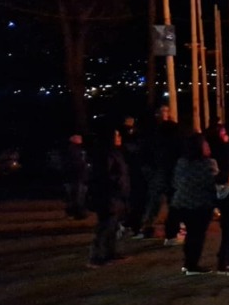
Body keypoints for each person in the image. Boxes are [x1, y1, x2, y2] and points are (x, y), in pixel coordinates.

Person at [169, 134, 218, 275]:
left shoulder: (182, 162)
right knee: (197, 235)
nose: (208, 147)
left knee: (191, 234)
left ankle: (189, 263)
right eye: (205, 144)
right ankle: (192, 265)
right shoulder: (208, 164)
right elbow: (213, 183)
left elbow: (175, 182)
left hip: (182, 203)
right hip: (200, 204)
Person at [136, 107, 182, 239]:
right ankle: (149, 225)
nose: (165, 114)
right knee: (158, 199)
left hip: (167, 169)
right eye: (162, 111)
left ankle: (169, 226)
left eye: (167, 111)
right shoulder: (154, 132)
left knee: (168, 199)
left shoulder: (169, 131)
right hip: (161, 169)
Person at [87, 130, 130, 268]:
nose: (119, 137)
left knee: (113, 226)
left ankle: (110, 253)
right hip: (108, 196)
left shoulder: (114, 152)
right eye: (116, 135)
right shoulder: (106, 154)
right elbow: (104, 175)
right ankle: (97, 256)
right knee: (106, 225)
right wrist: (118, 183)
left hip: (116, 196)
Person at [62, 135, 90, 220]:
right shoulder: (75, 152)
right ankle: (78, 213)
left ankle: (76, 213)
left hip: (78, 177)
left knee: (77, 197)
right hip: (77, 177)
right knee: (77, 197)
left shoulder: (77, 152)